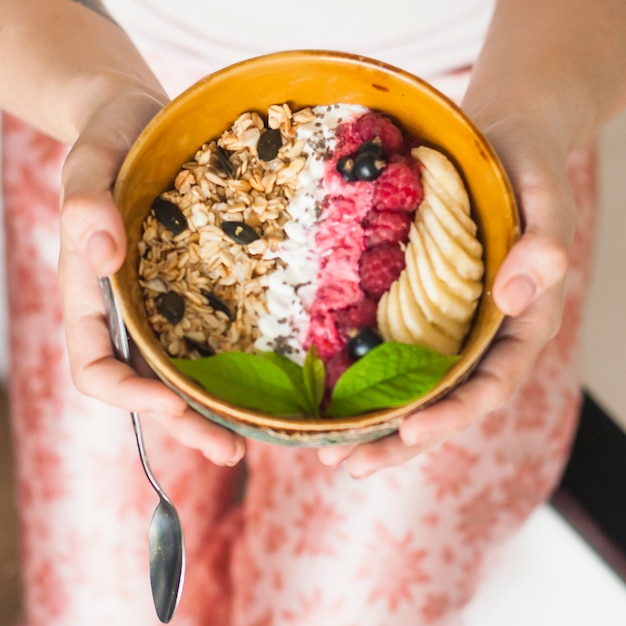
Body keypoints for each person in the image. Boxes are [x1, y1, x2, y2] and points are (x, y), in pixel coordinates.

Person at [0, 0, 623, 624]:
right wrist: (96, 98)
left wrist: (533, 113)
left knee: (351, 607)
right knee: (101, 612)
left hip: (497, 102)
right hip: (85, 77)